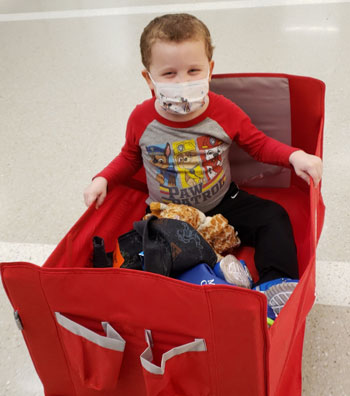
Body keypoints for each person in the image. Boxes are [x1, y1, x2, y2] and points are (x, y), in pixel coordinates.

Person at [83, 13, 322, 317]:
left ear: (209, 70)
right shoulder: (141, 119)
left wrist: (293, 156)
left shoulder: (224, 111)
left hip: (223, 203)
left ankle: (274, 286)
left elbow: (258, 144)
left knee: (273, 217)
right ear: (149, 79)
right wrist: (103, 179)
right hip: (168, 215)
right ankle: (216, 276)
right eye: (169, 74)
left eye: (193, 70)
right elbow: (130, 157)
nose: (183, 82)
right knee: (152, 256)